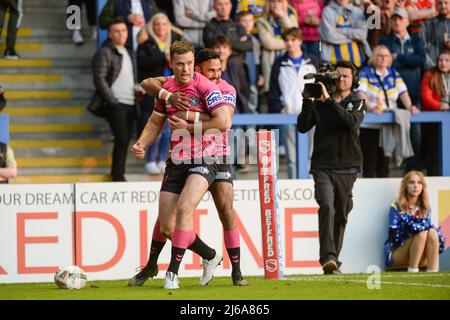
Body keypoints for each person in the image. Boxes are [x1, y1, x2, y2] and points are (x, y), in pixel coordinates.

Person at [129, 48, 249, 287]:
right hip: (178, 158)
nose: (216, 74)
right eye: (211, 70)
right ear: (197, 68)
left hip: (214, 155)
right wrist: (165, 97)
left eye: (218, 69)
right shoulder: (174, 85)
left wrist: (190, 120)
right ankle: (206, 255)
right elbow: (148, 88)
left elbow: (224, 121)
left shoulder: (222, 89)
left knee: (222, 210)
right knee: (166, 223)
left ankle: (232, 272)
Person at [297, 60, 366, 274]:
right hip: (322, 165)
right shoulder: (320, 99)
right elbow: (302, 126)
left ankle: (333, 259)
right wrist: (308, 101)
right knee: (327, 205)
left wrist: (327, 101)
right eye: (339, 75)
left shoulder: (358, 101)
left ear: (354, 80)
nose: (342, 79)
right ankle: (328, 258)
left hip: (348, 166)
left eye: (346, 76)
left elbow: (349, 122)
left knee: (341, 213)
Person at [356, 45, 418, 178]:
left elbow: (403, 93)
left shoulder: (393, 73)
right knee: (370, 161)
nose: (383, 58)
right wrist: (370, 108)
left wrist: (410, 107)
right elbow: (361, 93)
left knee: (384, 162)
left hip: (388, 124)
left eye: (386, 56)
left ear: (390, 58)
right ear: (374, 57)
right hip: (370, 125)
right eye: (380, 55)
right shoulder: (365, 72)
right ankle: (369, 192)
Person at [380, 7, 426, 174]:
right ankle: (385, 172)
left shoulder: (416, 39)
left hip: (413, 95)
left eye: (400, 19)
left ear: (407, 21)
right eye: (394, 19)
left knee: (416, 134)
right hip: (390, 96)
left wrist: (398, 57)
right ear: (391, 22)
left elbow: (421, 60)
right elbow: (387, 64)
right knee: (387, 134)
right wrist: (408, 62)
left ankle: (412, 171)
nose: (397, 22)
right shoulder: (385, 40)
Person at [91, 18, 138, 182]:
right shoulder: (105, 52)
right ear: (110, 34)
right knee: (122, 138)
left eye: (124, 30)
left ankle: (118, 173)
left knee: (125, 140)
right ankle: (117, 176)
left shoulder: (129, 51)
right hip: (116, 104)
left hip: (131, 103)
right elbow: (99, 78)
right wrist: (112, 100)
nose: (121, 34)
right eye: (117, 31)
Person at [269, 27, 317, 179]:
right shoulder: (279, 63)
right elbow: (274, 90)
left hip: (311, 114)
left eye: (293, 40)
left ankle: (310, 188)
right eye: (287, 40)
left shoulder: (313, 61)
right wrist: (281, 108)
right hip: (288, 115)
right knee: (292, 157)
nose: (290, 43)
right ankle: (294, 186)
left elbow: (320, 87)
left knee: (311, 154)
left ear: (300, 41)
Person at [136, 13, 180, 174]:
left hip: (173, 91)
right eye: (157, 24)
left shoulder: (176, 42)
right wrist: (163, 57)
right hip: (153, 92)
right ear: (151, 27)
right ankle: (150, 159)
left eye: (163, 24)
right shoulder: (145, 43)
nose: (160, 27)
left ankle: (162, 159)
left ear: (168, 25)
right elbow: (142, 63)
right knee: (155, 124)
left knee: (169, 126)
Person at [384, 171, 445, 272]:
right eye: (411, 182)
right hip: (399, 253)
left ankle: (433, 271)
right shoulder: (396, 206)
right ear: (405, 185)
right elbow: (393, 236)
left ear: (422, 186)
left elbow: (428, 234)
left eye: (419, 183)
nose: (416, 186)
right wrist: (411, 230)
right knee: (421, 234)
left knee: (433, 233)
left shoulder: (426, 208)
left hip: (420, 254)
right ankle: (413, 270)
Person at [420, 49, 450, 176]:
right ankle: (434, 182)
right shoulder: (430, 74)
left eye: (447, 60)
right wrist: (440, 106)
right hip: (433, 121)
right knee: (435, 155)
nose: (443, 63)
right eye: (441, 60)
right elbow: (426, 97)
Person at [319, 0, 371, 68]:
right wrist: (354, 38)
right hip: (333, 62)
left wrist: (339, 31)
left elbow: (362, 35)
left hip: (357, 61)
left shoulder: (357, 12)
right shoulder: (327, 11)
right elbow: (330, 36)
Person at [421, 0, 450, 69]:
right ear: (436, 5)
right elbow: (422, 48)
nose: (443, 6)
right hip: (434, 69)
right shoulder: (428, 23)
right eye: (440, 3)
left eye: (446, 3)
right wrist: (432, 67)